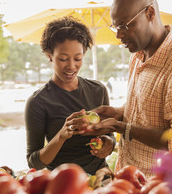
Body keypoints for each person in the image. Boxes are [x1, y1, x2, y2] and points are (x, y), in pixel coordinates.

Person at [84, 0, 172, 177]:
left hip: (161, 189)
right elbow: (150, 110)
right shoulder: (138, 54)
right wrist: (120, 113)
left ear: (150, 13)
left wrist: (120, 127)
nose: (119, 35)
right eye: (115, 28)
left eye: (124, 26)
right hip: (129, 180)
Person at [25, 16, 116, 175]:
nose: (71, 66)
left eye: (78, 58)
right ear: (49, 55)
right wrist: (61, 135)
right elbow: (34, 162)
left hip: (100, 177)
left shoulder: (98, 90)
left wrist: (107, 143)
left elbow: (109, 136)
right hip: (62, 181)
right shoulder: (38, 102)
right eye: (63, 59)